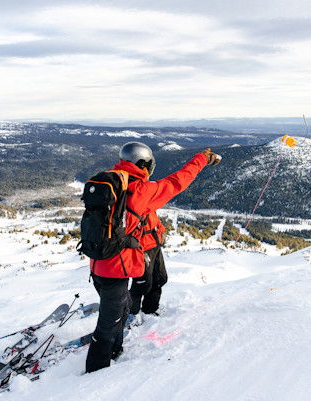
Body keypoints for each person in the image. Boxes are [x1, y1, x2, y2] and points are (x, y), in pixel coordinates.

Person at [85, 142, 221, 373]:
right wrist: (202, 159)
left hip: (97, 260)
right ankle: (96, 372)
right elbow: (178, 181)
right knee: (108, 324)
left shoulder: (110, 181)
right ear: (144, 164)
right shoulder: (140, 191)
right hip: (115, 267)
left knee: (120, 311)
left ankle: (115, 351)